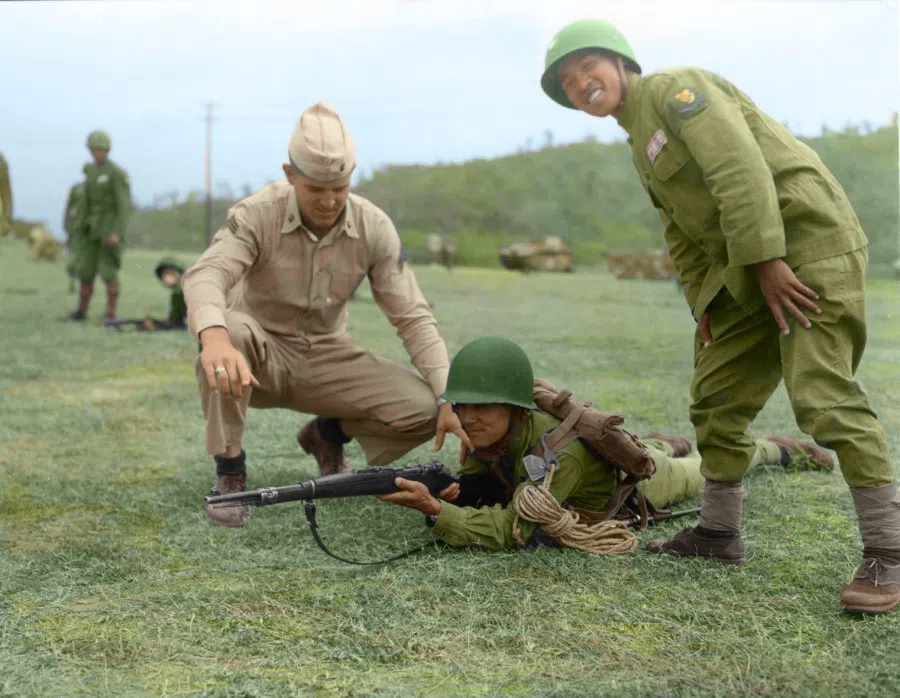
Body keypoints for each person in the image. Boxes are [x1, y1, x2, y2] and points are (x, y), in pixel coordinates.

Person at [538, 19, 900, 614]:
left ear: (621, 62)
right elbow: (681, 233)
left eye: (588, 68)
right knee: (716, 399)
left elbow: (740, 169)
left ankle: (887, 551)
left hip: (803, 246)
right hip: (746, 269)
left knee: (823, 395)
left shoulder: (676, 89)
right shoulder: (638, 139)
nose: (582, 84)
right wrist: (701, 304)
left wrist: (768, 261)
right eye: (569, 82)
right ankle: (718, 533)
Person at [182, 101, 470, 529]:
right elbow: (209, 273)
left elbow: (412, 317)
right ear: (290, 174)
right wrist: (215, 336)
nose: (330, 200)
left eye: (340, 186)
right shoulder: (256, 214)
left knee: (426, 407)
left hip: (327, 356)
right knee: (233, 329)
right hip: (256, 357)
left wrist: (450, 397)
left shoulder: (373, 226)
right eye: (316, 188)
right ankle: (230, 472)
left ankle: (329, 434)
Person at [379, 337, 832, 552]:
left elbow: (511, 531)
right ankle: (660, 442)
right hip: (599, 463)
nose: (470, 418)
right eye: (463, 407)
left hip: (636, 488)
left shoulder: (554, 455)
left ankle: (774, 447)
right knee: (659, 447)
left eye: (486, 408)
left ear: (518, 409)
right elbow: (484, 479)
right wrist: (466, 489)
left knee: (709, 466)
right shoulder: (493, 435)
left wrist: (438, 512)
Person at [69, 131, 131, 324]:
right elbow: (85, 201)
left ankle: (110, 314)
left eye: (100, 150)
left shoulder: (116, 173)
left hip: (107, 229)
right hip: (89, 231)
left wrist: (117, 232)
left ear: (107, 150)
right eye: (94, 149)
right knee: (85, 270)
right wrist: (78, 226)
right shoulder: (90, 172)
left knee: (108, 271)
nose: (97, 153)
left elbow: (123, 205)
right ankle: (81, 310)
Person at [106, 258, 188, 331]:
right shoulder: (180, 289)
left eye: (171, 273)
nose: (168, 278)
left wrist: (155, 326)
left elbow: (177, 323)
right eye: (165, 275)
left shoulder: (179, 292)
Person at [63, 181, 85, 290]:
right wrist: (67, 224)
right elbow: (68, 208)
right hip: (75, 230)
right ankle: (73, 281)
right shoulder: (76, 188)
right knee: (73, 260)